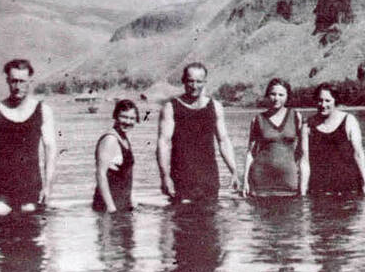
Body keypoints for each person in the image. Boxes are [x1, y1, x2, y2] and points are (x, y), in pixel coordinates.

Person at [0, 59, 57, 215]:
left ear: (30, 82)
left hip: (31, 184)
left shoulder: (42, 110)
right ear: (8, 81)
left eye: (22, 81)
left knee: (31, 225)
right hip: (0, 185)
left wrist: (48, 186)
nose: (18, 86)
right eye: (14, 81)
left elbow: (50, 149)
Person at [157, 62, 239, 202]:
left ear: (205, 82)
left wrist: (234, 171)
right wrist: (165, 176)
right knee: (182, 221)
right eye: (190, 81)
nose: (194, 86)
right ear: (183, 81)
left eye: (198, 81)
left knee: (211, 220)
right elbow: (163, 143)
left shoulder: (215, 107)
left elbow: (223, 140)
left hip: (209, 178)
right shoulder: (171, 107)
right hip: (181, 177)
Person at [300, 83, 365, 196]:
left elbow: (358, 154)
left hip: (349, 187)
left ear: (335, 101)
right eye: (320, 100)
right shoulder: (308, 125)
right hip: (319, 190)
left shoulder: (349, 120)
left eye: (327, 100)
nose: (323, 105)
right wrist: (302, 192)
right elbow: (304, 161)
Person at [241, 78, 304, 197]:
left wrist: (303, 180)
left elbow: (302, 153)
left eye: (281, 95)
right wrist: (245, 181)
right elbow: (250, 153)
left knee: (293, 214)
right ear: (267, 95)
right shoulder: (258, 119)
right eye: (273, 94)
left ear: (287, 96)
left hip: (289, 182)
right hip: (261, 182)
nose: (276, 98)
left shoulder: (296, 117)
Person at [93, 99, 139, 212]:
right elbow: (100, 174)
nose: (128, 122)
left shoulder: (124, 138)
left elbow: (125, 174)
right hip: (108, 207)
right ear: (115, 116)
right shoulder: (110, 139)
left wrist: (131, 198)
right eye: (124, 117)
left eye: (132, 118)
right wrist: (110, 207)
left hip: (122, 204)